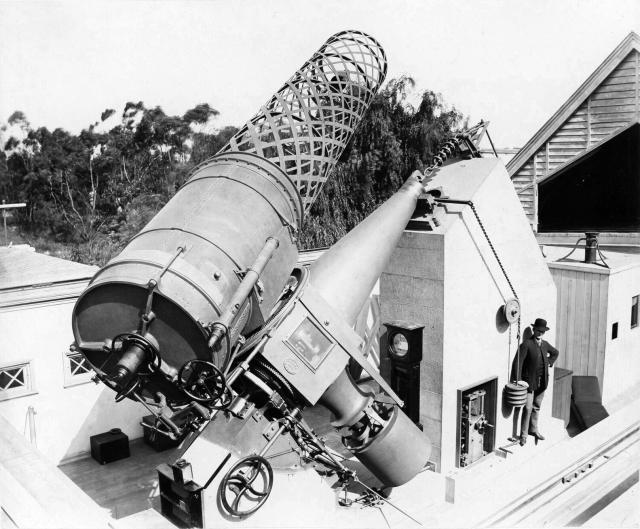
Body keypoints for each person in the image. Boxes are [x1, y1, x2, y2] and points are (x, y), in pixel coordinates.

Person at [512, 318, 559, 446]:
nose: (540, 333)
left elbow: (555, 353)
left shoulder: (545, 344)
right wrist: (518, 380)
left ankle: (533, 429)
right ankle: (523, 435)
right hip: (528, 384)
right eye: (538, 331)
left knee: (536, 407)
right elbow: (518, 362)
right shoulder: (527, 344)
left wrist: (549, 362)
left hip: (542, 383)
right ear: (533, 330)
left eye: (543, 332)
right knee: (527, 408)